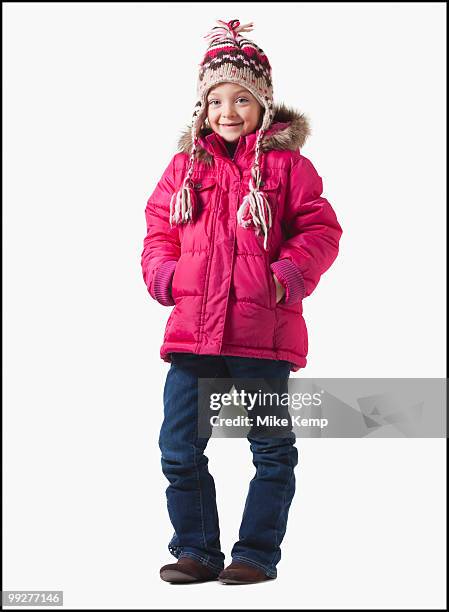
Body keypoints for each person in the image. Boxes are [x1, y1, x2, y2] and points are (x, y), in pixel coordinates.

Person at [141, 18, 343, 585]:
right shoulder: (185, 169)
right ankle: (197, 551)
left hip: (263, 336)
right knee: (179, 446)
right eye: (215, 100)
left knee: (271, 448)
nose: (227, 112)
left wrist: (285, 276)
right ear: (201, 108)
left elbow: (320, 231)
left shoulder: (288, 169)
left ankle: (255, 553)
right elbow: (159, 230)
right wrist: (167, 276)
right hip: (193, 333)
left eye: (242, 99)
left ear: (264, 105)